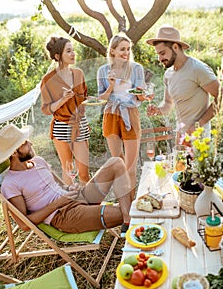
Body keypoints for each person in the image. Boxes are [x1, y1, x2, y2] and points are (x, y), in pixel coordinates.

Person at [0, 124, 133, 234]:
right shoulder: (10, 184)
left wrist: (70, 188)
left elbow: (60, 186)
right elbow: (24, 224)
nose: (30, 143)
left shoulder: (39, 162)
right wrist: (58, 203)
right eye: (24, 142)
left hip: (76, 198)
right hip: (63, 215)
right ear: (14, 152)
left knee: (116, 162)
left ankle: (127, 221)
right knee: (131, 210)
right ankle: (129, 218)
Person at [146, 26, 222, 143]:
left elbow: (221, 96)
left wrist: (198, 125)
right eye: (158, 54)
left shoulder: (197, 69)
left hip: (199, 137)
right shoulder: (168, 74)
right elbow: (168, 104)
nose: (159, 59)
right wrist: (158, 110)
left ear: (175, 47)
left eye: (162, 53)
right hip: (180, 135)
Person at [97, 34, 147, 199]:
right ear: (112, 50)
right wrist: (110, 86)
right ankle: (124, 206)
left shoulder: (136, 68)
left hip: (130, 114)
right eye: (122, 49)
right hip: (111, 115)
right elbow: (101, 99)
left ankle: (131, 206)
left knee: (130, 168)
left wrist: (142, 93)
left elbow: (141, 97)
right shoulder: (103, 71)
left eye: (128, 49)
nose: (126, 52)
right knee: (119, 165)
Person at [41, 36, 90, 185]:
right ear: (58, 56)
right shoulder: (47, 80)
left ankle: (89, 205)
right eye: (68, 51)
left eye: (73, 50)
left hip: (79, 124)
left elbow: (85, 97)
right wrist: (62, 100)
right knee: (68, 170)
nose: (73, 54)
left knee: (84, 173)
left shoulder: (78, 74)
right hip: (61, 126)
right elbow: (45, 109)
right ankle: (71, 206)